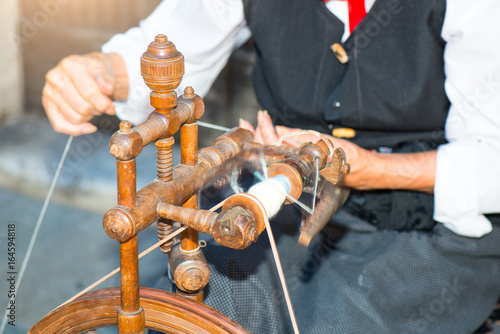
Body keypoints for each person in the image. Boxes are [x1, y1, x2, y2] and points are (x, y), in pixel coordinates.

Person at [42, 0, 500, 333]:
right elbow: (165, 46)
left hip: (419, 214)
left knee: (343, 321)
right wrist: (97, 71)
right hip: (276, 194)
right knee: (206, 309)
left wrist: (366, 168)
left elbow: (490, 157)